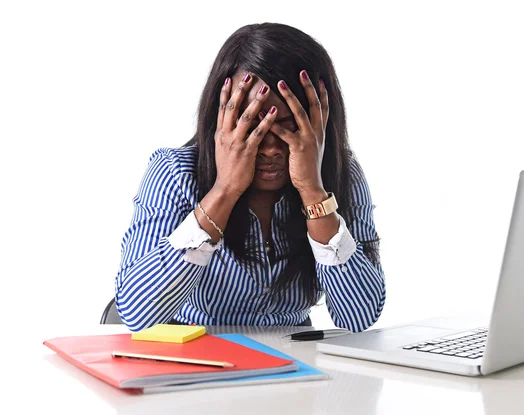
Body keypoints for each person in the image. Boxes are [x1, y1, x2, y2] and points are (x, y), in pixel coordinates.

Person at [114, 22, 385, 332]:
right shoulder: (175, 172)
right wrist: (224, 190)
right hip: (197, 360)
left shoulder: (342, 175)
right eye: (250, 126)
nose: (269, 148)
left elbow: (358, 318)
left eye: (288, 126)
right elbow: (138, 316)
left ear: (320, 122)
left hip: (295, 366)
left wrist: (313, 192)